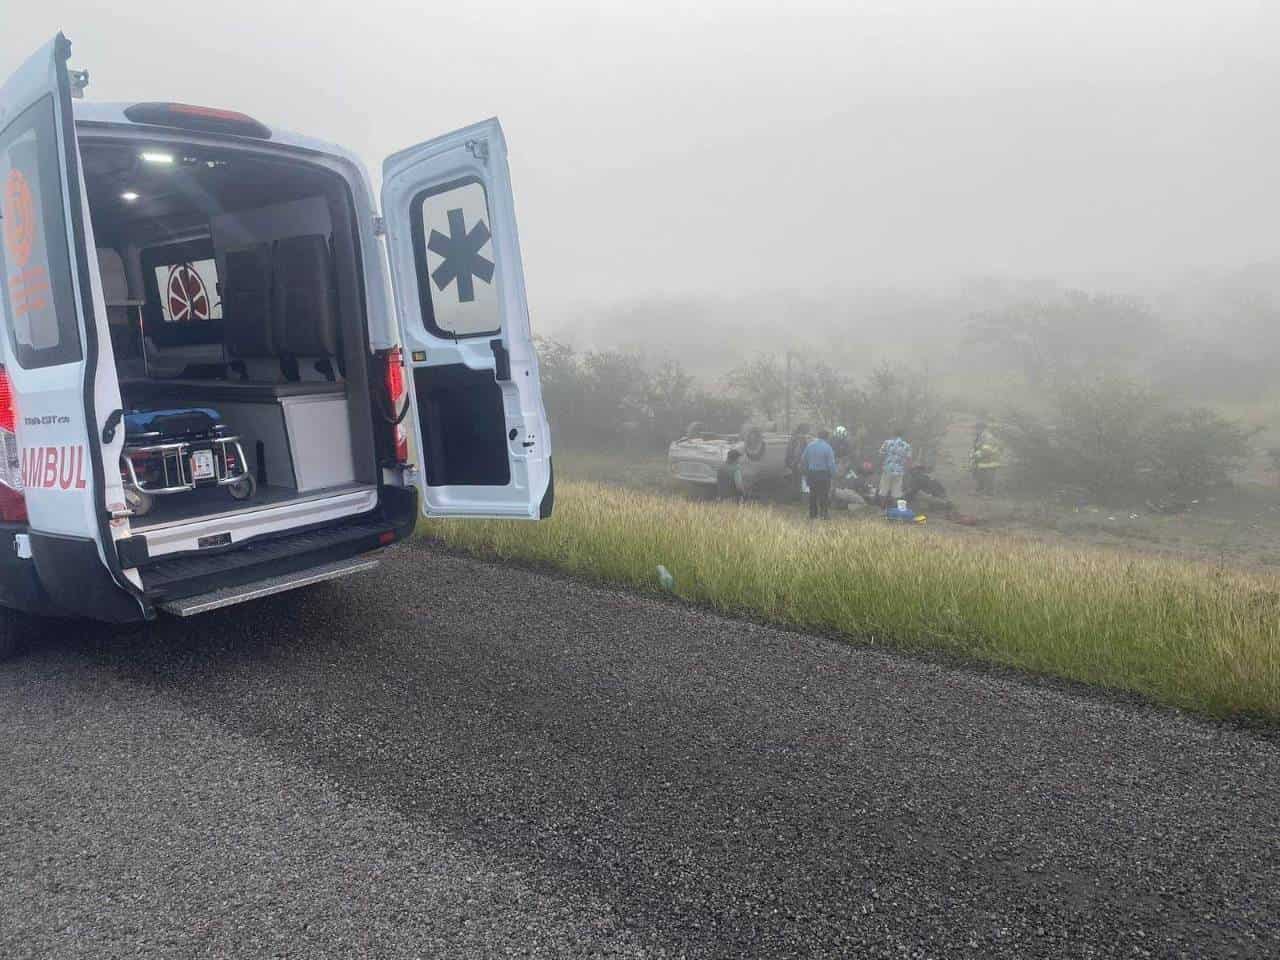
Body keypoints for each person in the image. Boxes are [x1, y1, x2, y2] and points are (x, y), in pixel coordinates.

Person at [801, 429, 837, 519]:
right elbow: (831, 464)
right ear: (827, 437)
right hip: (823, 474)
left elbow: (803, 459)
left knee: (813, 494)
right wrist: (833, 474)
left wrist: (806, 471)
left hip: (812, 473)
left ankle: (812, 514)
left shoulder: (810, 446)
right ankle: (824, 514)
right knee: (824, 494)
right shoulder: (828, 448)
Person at [877, 427, 912, 507]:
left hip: (887, 469)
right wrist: (907, 469)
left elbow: (881, 454)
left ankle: (882, 508)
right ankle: (893, 509)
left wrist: (880, 465)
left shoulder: (887, 443)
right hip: (899, 471)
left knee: (883, 490)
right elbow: (908, 459)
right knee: (896, 492)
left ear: (893, 434)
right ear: (902, 435)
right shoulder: (907, 445)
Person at [971, 420, 1002, 496]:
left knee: (989, 478)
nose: (975, 430)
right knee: (980, 475)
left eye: (976, 428)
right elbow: (977, 447)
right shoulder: (980, 436)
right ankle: (980, 491)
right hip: (984, 460)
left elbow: (986, 449)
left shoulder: (987, 437)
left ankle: (989, 494)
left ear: (981, 428)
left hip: (990, 460)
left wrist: (976, 455)